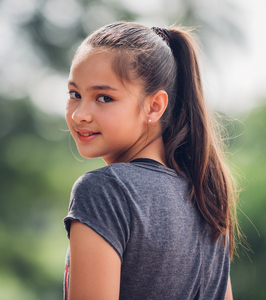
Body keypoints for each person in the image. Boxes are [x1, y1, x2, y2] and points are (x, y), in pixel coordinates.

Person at [63, 21, 237, 300]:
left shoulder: (105, 191)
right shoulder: (206, 197)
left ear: (154, 106)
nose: (79, 114)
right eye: (75, 94)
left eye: (104, 97)